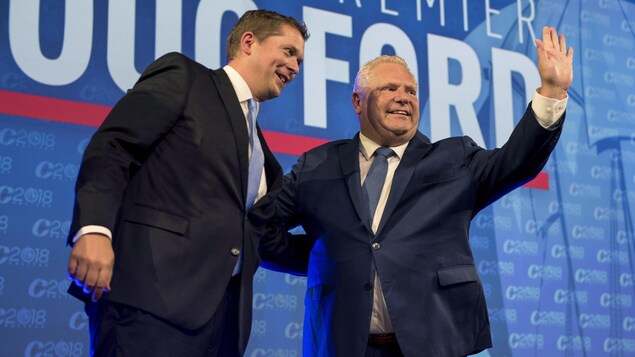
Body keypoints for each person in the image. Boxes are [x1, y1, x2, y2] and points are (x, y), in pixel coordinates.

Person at [260, 26, 573, 356]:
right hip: (341, 344)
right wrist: (327, 258)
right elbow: (263, 232)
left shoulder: (455, 158)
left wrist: (551, 92)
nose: (404, 97)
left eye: (411, 90)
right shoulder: (316, 164)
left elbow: (517, 162)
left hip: (437, 342)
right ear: (357, 100)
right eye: (389, 88)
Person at [66, 9, 309, 356]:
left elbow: (263, 239)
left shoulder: (260, 150)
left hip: (223, 321)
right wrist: (93, 229)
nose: (296, 67)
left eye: (300, 60)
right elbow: (114, 148)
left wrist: (347, 257)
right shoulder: (186, 79)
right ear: (249, 42)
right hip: (150, 301)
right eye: (289, 52)